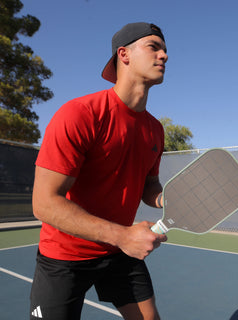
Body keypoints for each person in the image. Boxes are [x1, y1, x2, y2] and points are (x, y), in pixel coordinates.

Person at [30, 22, 168, 320]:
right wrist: (123, 236)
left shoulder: (155, 130)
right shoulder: (80, 114)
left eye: (165, 49)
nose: (164, 56)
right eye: (154, 47)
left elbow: (150, 186)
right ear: (124, 54)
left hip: (118, 253)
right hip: (64, 257)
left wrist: (167, 198)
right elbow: (43, 203)